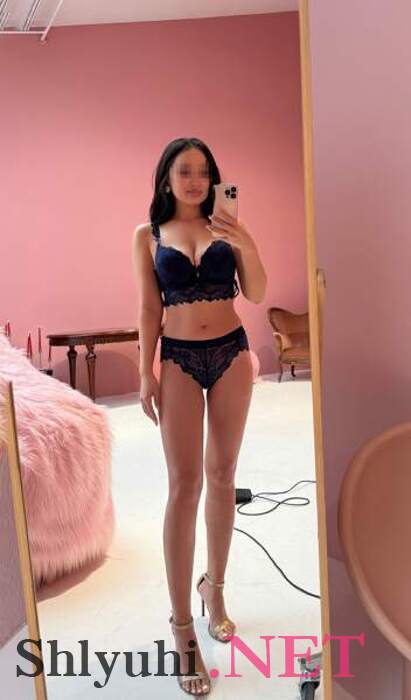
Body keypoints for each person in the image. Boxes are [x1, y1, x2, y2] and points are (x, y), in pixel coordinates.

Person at [133, 137, 267, 695]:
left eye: (203, 172)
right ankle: (182, 626)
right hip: (179, 360)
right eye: (183, 171)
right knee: (183, 485)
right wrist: (145, 372)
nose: (194, 180)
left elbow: (256, 292)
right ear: (166, 178)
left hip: (231, 353)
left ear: (213, 179)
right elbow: (149, 307)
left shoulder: (226, 228)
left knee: (223, 475)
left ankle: (216, 588)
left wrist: (245, 240)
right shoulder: (148, 235)